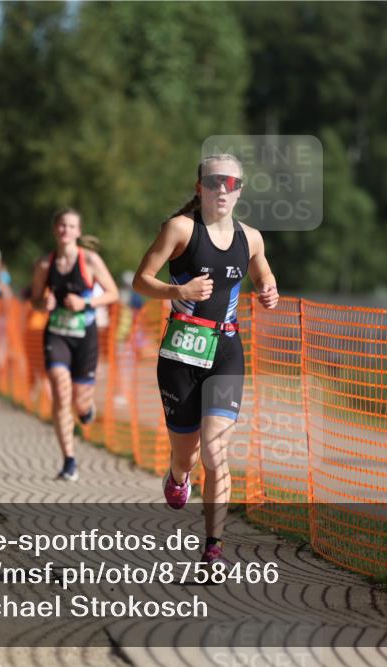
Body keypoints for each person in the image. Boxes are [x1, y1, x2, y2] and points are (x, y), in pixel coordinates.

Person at [132, 153, 279, 567]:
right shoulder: (180, 230)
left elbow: (261, 270)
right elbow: (141, 280)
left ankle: (213, 547)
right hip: (181, 352)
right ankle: (178, 477)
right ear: (200, 187)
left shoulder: (250, 237)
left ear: (239, 191)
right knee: (189, 456)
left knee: (216, 454)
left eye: (231, 184)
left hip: (226, 350)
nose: (222, 190)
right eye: (215, 182)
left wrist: (268, 289)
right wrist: (179, 292)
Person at [30, 209, 119, 481]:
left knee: (80, 403)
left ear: (78, 232)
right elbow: (34, 299)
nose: (65, 230)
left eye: (71, 226)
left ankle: (86, 410)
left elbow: (113, 293)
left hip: (85, 337)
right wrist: (43, 303)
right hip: (57, 334)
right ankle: (69, 459)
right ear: (55, 229)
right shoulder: (45, 264)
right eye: (61, 225)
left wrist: (86, 302)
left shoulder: (90, 260)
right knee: (59, 388)